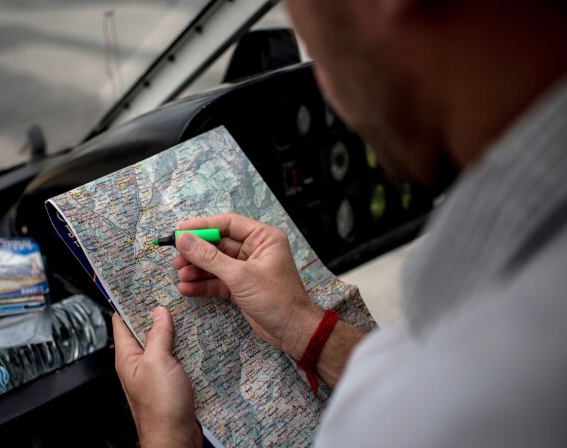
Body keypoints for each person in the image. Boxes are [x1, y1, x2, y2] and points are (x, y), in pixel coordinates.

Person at [112, 0, 567, 446]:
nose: (329, 89)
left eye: (315, 46)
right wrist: (302, 326)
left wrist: (166, 433)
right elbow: (405, 374)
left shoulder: (468, 401)